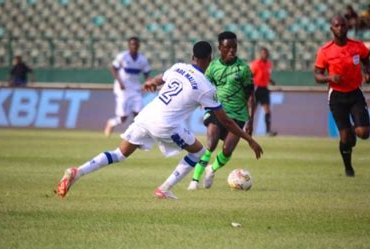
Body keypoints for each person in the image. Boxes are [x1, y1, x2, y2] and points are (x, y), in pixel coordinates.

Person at [57, 41, 263, 199]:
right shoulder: (205, 86)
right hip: (166, 124)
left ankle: (77, 171)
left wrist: (151, 83)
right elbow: (226, 121)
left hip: (146, 115)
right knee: (199, 152)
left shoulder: (178, 67)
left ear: (192, 56)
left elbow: (159, 78)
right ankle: (164, 189)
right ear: (209, 60)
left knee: (119, 153)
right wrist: (249, 139)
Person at [188, 31, 256, 190]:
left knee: (227, 150)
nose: (232, 50)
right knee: (210, 145)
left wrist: (250, 120)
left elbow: (251, 96)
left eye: (234, 47)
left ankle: (211, 169)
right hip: (216, 110)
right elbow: (205, 85)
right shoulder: (212, 67)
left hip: (238, 114)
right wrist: (200, 99)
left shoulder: (243, 69)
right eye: (228, 47)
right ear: (220, 48)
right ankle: (194, 180)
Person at [314, 15, 370, 177]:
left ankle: (354, 131)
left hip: (355, 92)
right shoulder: (325, 51)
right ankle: (348, 168)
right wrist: (329, 78)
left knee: (364, 133)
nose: (340, 28)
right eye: (337, 25)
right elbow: (317, 76)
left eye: (343, 25)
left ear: (348, 27)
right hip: (336, 96)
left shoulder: (357, 46)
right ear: (332, 29)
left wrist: (367, 72)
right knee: (346, 138)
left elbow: (367, 59)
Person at [105, 37, 151, 136]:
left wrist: (149, 82)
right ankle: (111, 123)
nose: (134, 46)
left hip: (135, 89)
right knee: (123, 118)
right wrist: (120, 82)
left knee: (138, 114)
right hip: (123, 89)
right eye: (132, 44)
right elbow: (113, 68)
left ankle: (132, 133)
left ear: (138, 46)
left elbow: (147, 74)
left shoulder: (142, 59)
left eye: (136, 44)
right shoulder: (123, 56)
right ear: (129, 45)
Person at [250, 47, 277, 136]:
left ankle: (268, 131)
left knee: (267, 110)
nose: (264, 55)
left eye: (266, 53)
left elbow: (266, 75)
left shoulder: (269, 64)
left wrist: (271, 81)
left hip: (264, 89)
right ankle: (249, 128)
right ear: (260, 54)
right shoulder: (255, 64)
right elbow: (251, 76)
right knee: (253, 110)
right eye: (263, 53)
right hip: (256, 89)